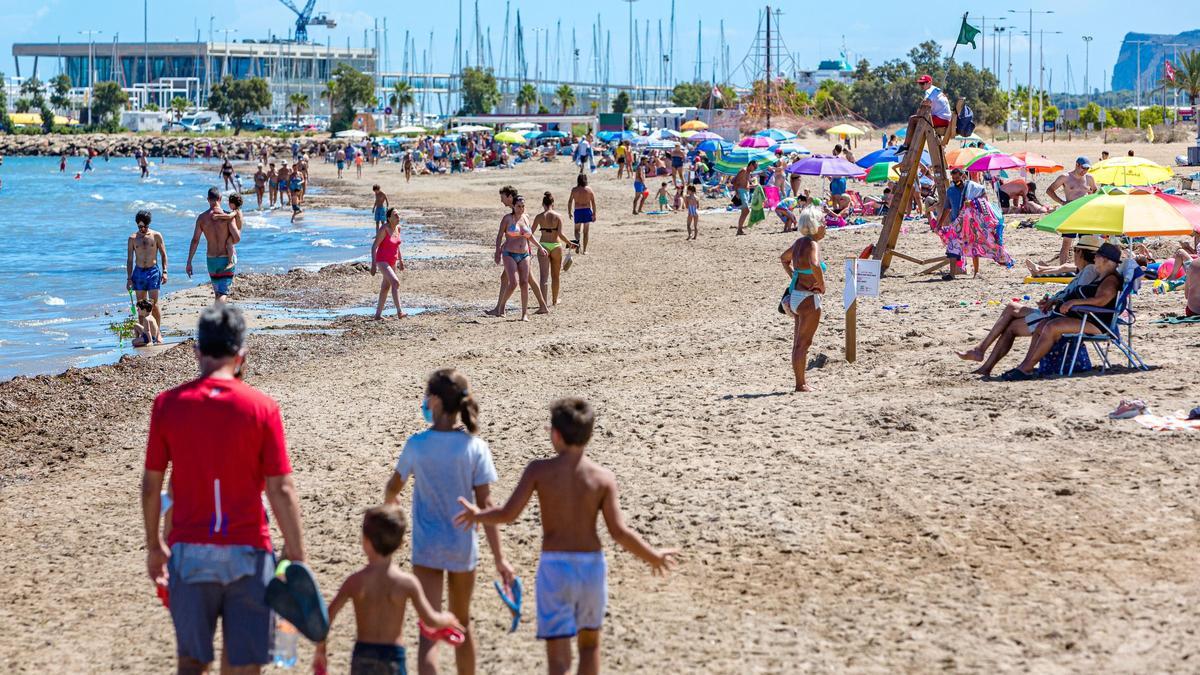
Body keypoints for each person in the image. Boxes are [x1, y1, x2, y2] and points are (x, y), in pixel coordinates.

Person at [455, 397, 677, 675]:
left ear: (555, 434)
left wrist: (478, 515)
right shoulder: (603, 478)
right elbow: (619, 532)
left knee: (558, 657)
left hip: (555, 567)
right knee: (589, 646)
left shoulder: (539, 470)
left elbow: (509, 513)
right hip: (591, 567)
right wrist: (652, 555)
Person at [141, 304, 307, 675]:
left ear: (197, 352)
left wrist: (155, 546)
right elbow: (281, 489)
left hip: (190, 552)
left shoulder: (167, 406)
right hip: (248, 551)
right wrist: (296, 553)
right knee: (244, 664)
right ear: (241, 355)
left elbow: (151, 486)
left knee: (192, 662)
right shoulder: (262, 408)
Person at [384, 369, 515, 675]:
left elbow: (393, 487)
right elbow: (488, 507)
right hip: (461, 548)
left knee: (430, 631)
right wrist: (500, 559)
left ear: (435, 401)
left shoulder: (417, 444)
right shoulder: (475, 447)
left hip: (427, 547)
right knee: (462, 625)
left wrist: (393, 505)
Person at [314, 505, 464, 675]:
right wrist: (447, 618)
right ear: (401, 544)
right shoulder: (406, 583)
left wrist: (321, 649)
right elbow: (430, 619)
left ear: (365, 541)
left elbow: (327, 617)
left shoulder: (355, 582)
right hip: (392, 656)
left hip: (364, 655)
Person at [958, 236, 1102, 376]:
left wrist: (1054, 302)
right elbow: (1073, 293)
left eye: (1075, 250)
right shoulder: (1084, 271)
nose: (1074, 254)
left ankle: (982, 356)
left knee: (1011, 319)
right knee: (1011, 310)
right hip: (1058, 312)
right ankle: (982, 357)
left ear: (1081, 252)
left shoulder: (1089, 271)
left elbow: (1078, 296)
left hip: (1060, 316)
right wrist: (1052, 300)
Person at [998, 243, 1125, 381]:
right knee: (1041, 326)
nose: (1094, 259)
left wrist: (1074, 302)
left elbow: (1101, 300)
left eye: (1097, 257)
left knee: (1051, 327)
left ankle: (1026, 368)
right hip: (1088, 318)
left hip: (1098, 323)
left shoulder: (1111, 279)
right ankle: (1024, 367)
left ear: (1105, 260)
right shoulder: (1103, 276)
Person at [779, 205, 826, 392]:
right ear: (815, 224)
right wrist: (821, 284)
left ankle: (800, 382)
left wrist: (794, 276)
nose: (825, 225)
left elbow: (784, 258)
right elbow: (815, 265)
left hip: (796, 296)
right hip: (808, 298)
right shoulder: (813, 244)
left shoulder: (799, 243)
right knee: (803, 344)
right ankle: (801, 384)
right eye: (823, 221)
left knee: (798, 343)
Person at [940, 168, 1012, 279]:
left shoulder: (973, 188)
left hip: (971, 224)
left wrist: (973, 203)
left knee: (974, 246)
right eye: (953, 179)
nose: (955, 181)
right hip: (956, 223)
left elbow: (984, 202)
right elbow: (947, 208)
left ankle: (976, 272)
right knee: (953, 246)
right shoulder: (950, 191)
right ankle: (951, 274)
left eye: (957, 178)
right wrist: (939, 224)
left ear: (963, 176)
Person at [492, 194, 550, 321]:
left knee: (524, 283)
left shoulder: (526, 218)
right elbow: (499, 236)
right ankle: (501, 306)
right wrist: (497, 252)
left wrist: (540, 247)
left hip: (524, 254)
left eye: (523, 206)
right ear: (513, 206)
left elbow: (529, 236)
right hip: (509, 253)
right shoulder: (507, 219)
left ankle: (524, 314)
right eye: (519, 206)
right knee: (513, 283)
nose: (521, 209)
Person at [186, 187, 242, 303]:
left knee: (218, 293)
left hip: (211, 260)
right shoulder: (227, 216)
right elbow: (237, 237)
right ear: (220, 198)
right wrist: (230, 241)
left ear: (208, 199)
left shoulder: (202, 218)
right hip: (226, 258)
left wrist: (189, 262)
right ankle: (217, 316)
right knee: (223, 293)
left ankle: (218, 319)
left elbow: (195, 240)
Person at [1046, 158, 1099, 263]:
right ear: (1077, 165)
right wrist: (1062, 202)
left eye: (1087, 168)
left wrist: (1090, 196)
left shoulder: (1089, 178)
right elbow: (1049, 190)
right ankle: (1062, 268)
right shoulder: (1065, 177)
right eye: (1083, 168)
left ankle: (1083, 268)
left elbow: (1096, 190)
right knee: (1067, 243)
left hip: (1084, 212)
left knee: (1086, 243)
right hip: (1070, 213)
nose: (1085, 171)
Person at [533, 192, 579, 306]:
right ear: (552, 203)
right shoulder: (558, 216)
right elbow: (561, 234)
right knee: (555, 275)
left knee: (544, 276)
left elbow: (530, 233)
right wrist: (570, 243)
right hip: (556, 246)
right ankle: (554, 300)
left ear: (543, 204)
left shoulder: (539, 217)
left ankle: (543, 303)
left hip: (543, 245)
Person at [127, 209, 168, 328]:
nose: (142, 229)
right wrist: (129, 278)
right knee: (140, 306)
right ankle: (144, 333)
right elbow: (129, 260)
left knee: (153, 304)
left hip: (153, 271)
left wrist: (165, 271)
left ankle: (158, 332)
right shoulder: (133, 238)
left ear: (148, 224)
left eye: (144, 226)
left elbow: (163, 254)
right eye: (140, 227)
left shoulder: (156, 235)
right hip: (138, 273)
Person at [371, 207, 406, 320]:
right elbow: (374, 246)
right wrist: (373, 264)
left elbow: (397, 245)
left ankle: (378, 315)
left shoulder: (398, 228)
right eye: (395, 215)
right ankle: (399, 312)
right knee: (395, 282)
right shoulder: (384, 229)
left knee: (386, 287)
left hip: (393, 261)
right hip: (382, 261)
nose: (398, 217)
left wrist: (400, 260)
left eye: (398, 214)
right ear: (389, 218)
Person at [567, 174, 597, 254]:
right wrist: (594, 213)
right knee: (586, 232)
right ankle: (584, 250)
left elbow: (570, 201)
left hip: (578, 211)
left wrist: (569, 212)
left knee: (577, 230)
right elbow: (593, 203)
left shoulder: (574, 190)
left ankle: (577, 243)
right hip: (587, 211)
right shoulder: (589, 189)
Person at [733, 160, 758, 235]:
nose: (755, 169)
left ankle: (739, 229)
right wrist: (737, 192)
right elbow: (735, 181)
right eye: (755, 166)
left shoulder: (749, 172)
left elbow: (745, 184)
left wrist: (753, 186)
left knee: (745, 211)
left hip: (746, 192)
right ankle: (739, 229)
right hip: (741, 191)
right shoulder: (743, 170)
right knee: (746, 210)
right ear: (751, 165)